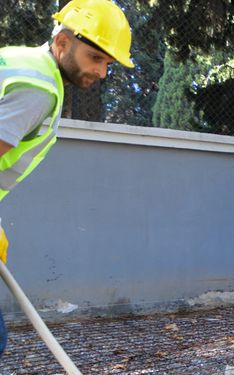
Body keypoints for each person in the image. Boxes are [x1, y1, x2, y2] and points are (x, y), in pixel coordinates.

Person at [0, 0, 134, 356]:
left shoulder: (17, 60)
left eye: (108, 63)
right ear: (62, 42)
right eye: (95, 57)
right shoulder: (38, 87)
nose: (103, 73)